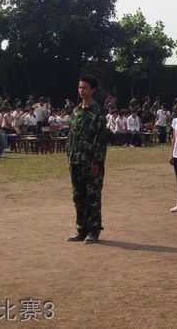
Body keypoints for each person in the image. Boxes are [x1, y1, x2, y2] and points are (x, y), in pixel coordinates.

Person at [65, 75, 108, 244]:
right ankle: (81, 230)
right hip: (76, 161)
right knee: (78, 197)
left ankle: (93, 231)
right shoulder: (75, 111)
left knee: (92, 197)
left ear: (93, 90)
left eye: (85, 88)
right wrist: (69, 158)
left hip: (91, 162)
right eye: (80, 87)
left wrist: (97, 162)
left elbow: (101, 140)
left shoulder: (97, 112)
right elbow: (71, 137)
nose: (81, 90)